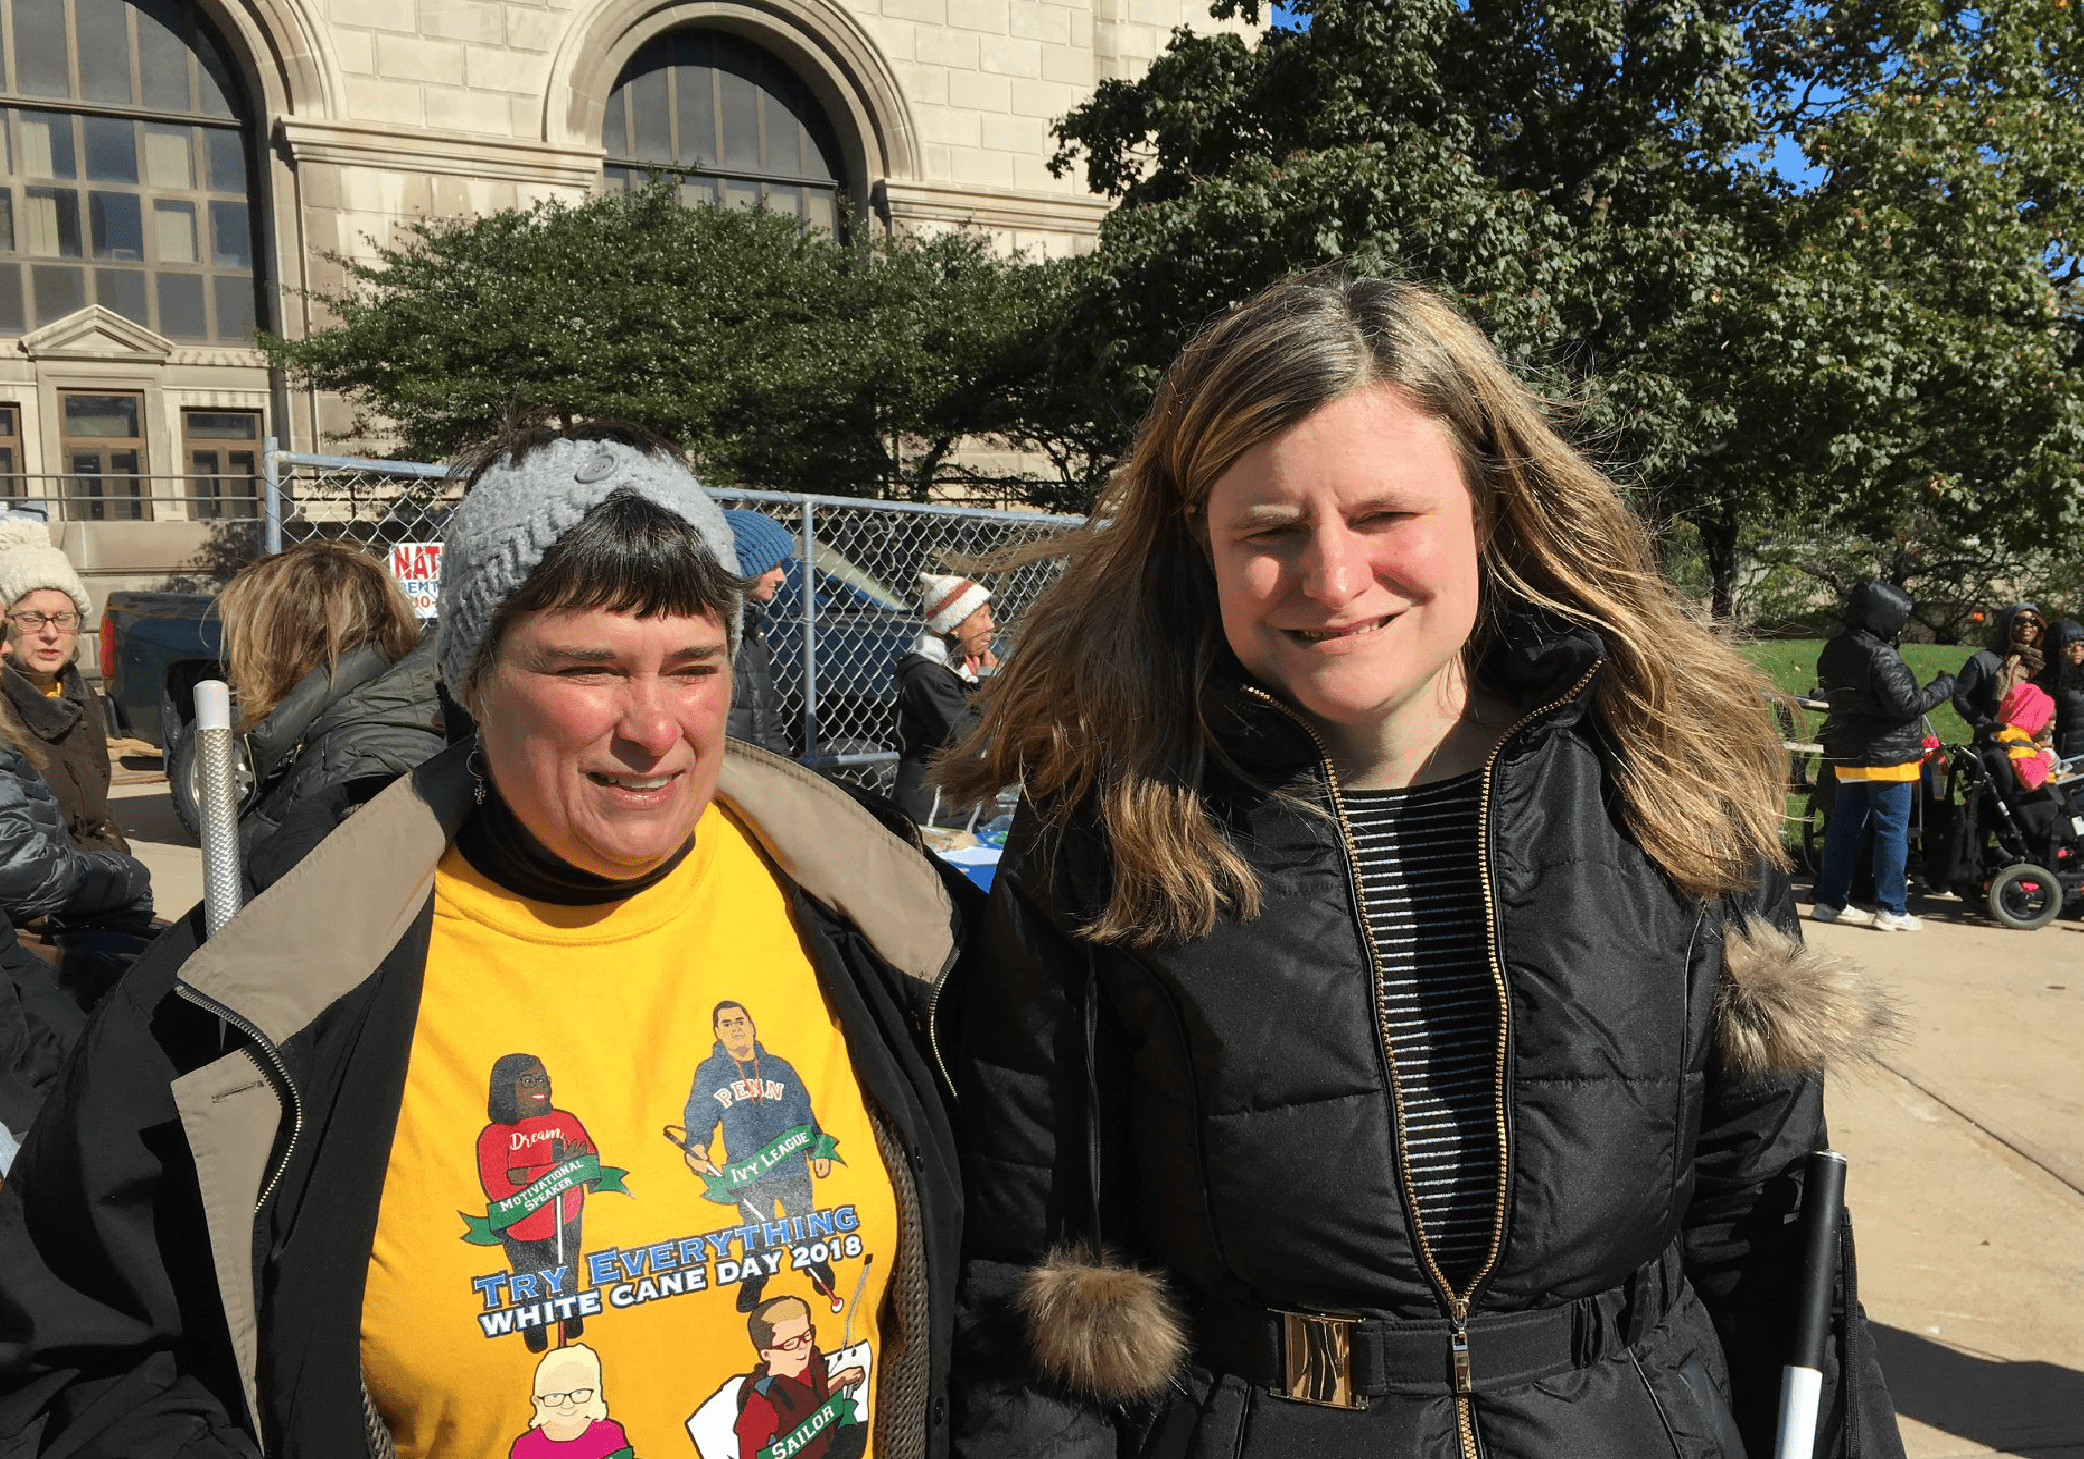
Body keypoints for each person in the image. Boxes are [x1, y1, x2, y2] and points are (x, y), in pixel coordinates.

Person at [939, 275, 1904, 1459]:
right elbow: (1041, 1282)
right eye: (1268, 531)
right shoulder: (1107, 835)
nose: (1331, 580)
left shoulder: (1666, 787)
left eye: (1383, 515)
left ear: (1486, 513)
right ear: (1198, 546)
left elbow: (1772, 1234)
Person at [0, 422, 972, 1459]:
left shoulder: (887, 920)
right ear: (473, 679)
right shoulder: (267, 979)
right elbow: (73, 1361)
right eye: (588, 667)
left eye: (693, 664)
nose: (654, 725)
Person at [214, 540, 444, 853]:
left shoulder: (352, 769)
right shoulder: (352, 729)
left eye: (244, 649)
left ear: (284, 653)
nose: (235, 671)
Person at [1814, 581, 1955, 931]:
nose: (1901, 626)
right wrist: (1944, 686)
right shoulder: (1881, 654)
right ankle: (1891, 908)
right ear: (1883, 615)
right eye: (1899, 618)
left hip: (1849, 754)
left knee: (1843, 829)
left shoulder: (1834, 649)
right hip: (1889, 758)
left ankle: (1828, 903)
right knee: (1891, 831)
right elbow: (1907, 706)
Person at [0, 517, 126, 853]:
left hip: (99, 878)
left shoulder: (83, 699)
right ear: (5, 625)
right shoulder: (3, 711)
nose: (50, 633)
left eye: (63, 617)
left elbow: (100, 811)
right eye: (32, 618)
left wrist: (123, 862)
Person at [891, 571, 995, 824]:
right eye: (981, 616)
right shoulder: (927, 675)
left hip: (967, 807)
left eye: (990, 615)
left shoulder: (965, 665)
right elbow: (972, 742)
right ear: (955, 626)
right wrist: (989, 685)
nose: (991, 625)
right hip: (934, 814)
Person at [722, 508, 795, 755]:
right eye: (771, 565)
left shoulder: (752, 625)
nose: (781, 577)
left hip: (759, 771)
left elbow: (767, 715)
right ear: (743, 568)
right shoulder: (712, 629)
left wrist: (784, 771)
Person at [1952, 602, 2043, 730]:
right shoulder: (1983, 660)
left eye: (2033, 621)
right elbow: (1961, 697)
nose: (2027, 625)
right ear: (2008, 625)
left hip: (2034, 739)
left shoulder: (2044, 663)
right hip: (1993, 740)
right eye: (2018, 620)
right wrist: (1986, 723)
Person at [2035, 617, 2084, 763]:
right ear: (2056, 648)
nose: (2077, 650)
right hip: (2062, 757)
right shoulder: (2044, 682)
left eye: (2082, 646)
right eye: (2070, 645)